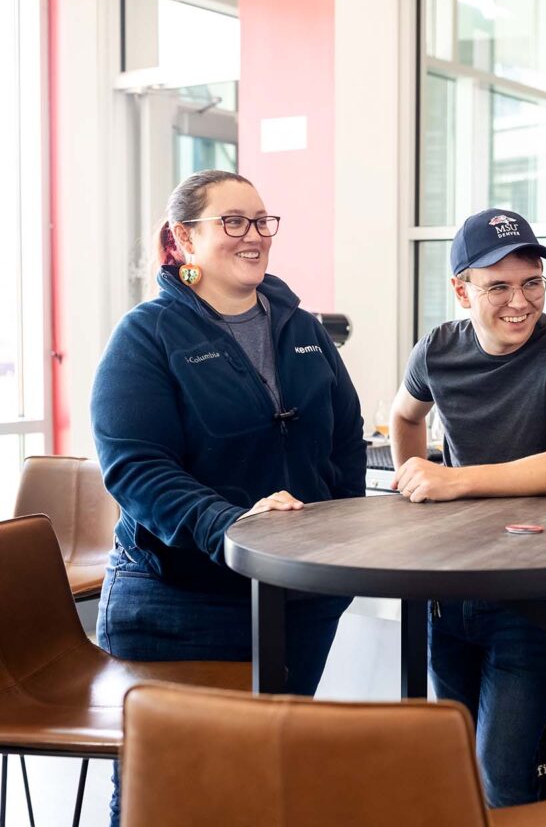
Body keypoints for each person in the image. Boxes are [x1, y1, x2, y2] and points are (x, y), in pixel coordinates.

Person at [92, 169, 364, 825]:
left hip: (298, 598)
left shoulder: (303, 326)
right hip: (181, 600)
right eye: (233, 221)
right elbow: (135, 466)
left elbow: (346, 438)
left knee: (268, 784)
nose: (253, 235)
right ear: (184, 238)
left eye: (262, 220)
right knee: (174, 795)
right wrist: (233, 525)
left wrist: (337, 537)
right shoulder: (147, 336)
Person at [388, 207, 546, 807]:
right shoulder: (437, 349)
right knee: (452, 768)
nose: (521, 301)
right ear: (462, 289)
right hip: (447, 586)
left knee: (502, 776)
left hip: (530, 592)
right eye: (499, 286)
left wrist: (454, 481)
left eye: (532, 282)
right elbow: (404, 415)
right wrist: (415, 481)